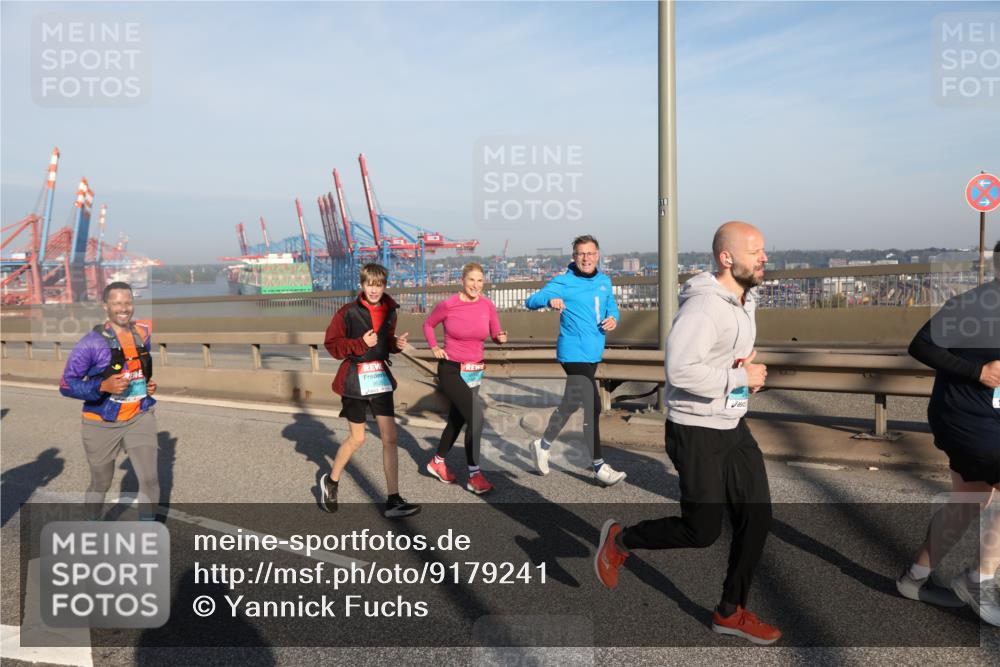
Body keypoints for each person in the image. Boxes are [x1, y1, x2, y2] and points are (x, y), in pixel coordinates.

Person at [594, 221, 781, 645]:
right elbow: (679, 370)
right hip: (696, 430)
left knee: (757, 517)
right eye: (755, 251)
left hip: (731, 423)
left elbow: (726, 356)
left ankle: (730, 611)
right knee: (702, 532)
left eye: (764, 250)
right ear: (727, 257)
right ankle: (621, 540)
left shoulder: (743, 299)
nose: (764, 257)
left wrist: (745, 370)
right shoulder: (704, 307)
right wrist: (739, 378)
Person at [897, 240, 1000, 624]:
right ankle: (979, 579)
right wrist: (979, 373)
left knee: (970, 499)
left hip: (990, 419)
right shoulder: (971, 305)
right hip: (964, 418)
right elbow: (920, 345)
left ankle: (915, 578)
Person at [320, 263, 420, 519]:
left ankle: (393, 500)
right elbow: (332, 345)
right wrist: (359, 343)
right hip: (355, 380)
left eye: (378, 285)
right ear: (362, 285)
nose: (374, 290)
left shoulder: (390, 310)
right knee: (358, 439)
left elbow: (385, 342)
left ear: (384, 286)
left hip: (379, 379)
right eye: (369, 285)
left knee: (390, 438)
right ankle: (331, 482)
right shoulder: (348, 312)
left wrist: (395, 344)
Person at [524, 235, 626, 486]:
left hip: (593, 353)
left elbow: (611, 307)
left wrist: (614, 318)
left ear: (598, 255)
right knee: (592, 403)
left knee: (569, 404)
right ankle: (599, 466)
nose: (586, 258)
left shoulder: (604, 281)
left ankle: (542, 444)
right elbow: (531, 301)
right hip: (572, 353)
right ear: (574, 257)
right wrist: (549, 300)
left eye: (590, 253)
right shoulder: (563, 282)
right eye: (581, 254)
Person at [59, 281, 159, 520]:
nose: (123, 308)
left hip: (139, 414)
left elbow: (138, 367)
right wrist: (102, 386)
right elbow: (66, 384)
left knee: (150, 479)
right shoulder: (91, 343)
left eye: (127, 302)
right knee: (101, 482)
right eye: (117, 303)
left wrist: (146, 384)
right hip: (101, 420)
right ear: (106, 307)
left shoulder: (142, 334)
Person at [423, 262, 507, 494]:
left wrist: (500, 338)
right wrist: (434, 347)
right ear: (462, 280)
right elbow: (428, 325)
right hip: (451, 369)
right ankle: (474, 475)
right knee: (476, 418)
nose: (476, 285)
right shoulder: (449, 305)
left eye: (480, 280)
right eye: (471, 280)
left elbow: (495, 333)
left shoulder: (488, 305)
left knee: (457, 420)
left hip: (474, 370)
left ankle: (437, 462)